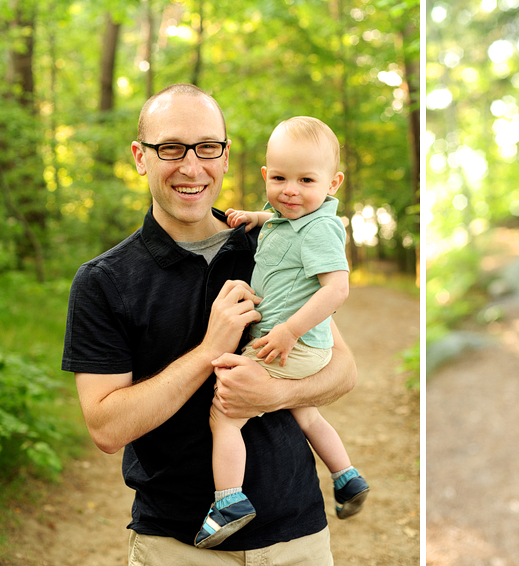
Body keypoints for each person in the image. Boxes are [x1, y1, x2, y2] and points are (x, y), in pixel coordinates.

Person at [62, 84, 356, 565]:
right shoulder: (104, 282)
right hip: (176, 546)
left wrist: (275, 395)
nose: (191, 166)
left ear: (224, 156)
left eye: (207, 148)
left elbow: (343, 370)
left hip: (297, 538)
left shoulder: (272, 245)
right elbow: (107, 428)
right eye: (171, 148)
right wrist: (206, 352)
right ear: (141, 157)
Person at [195, 116, 369, 549]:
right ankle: (346, 476)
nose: (290, 190)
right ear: (265, 176)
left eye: (306, 180)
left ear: (333, 182)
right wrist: (256, 216)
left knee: (225, 414)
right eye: (279, 178)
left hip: (294, 344)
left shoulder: (320, 228)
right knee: (305, 412)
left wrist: (289, 331)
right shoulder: (287, 216)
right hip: (305, 347)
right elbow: (278, 217)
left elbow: (337, 288)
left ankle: (229, 502)